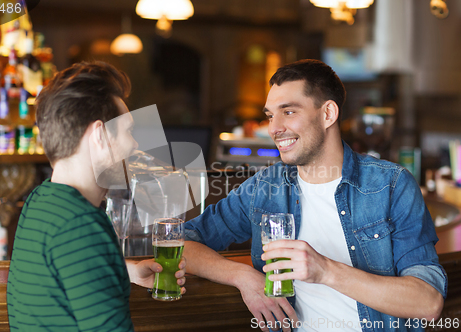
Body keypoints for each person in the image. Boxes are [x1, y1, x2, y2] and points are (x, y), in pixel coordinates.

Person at [184, 59, 446, 332]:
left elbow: (427, 302)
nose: (274, 128)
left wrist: (324, 271)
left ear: (328, 114)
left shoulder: (391, 185)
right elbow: (181, 243)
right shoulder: (265, 187)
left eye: (288, 112)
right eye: (271, 115)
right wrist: (243, 276)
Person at [7, 62, 186, 331]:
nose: (135, 145)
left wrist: (127, 271)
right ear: (100, 135)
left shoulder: (41, 199)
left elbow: (66, 268)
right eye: (128, 131)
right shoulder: (81, 224)